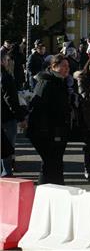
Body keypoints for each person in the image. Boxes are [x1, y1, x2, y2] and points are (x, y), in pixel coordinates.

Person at [27, 54, 71, 184]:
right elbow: (37, 108)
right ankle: (46, 193)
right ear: (54, 66)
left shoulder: (60, 82)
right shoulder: (46, 83)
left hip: (57, 131)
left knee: (55, 163)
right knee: (50, 164)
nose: (67, 69)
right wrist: (46, 132)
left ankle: (57, 192)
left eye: (68, 66)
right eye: (64, 66)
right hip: (47, 132)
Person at [1, 49, 26, 177]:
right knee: (7, 146)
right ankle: (6, 172)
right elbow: (10, 99)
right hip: (6, 117)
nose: (8, 62)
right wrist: (20, 118)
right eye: (7, 59)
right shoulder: (5, 77)